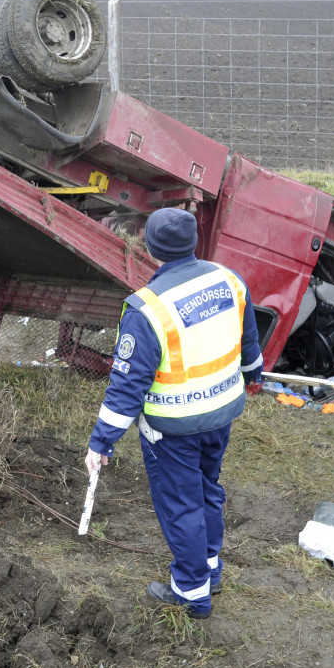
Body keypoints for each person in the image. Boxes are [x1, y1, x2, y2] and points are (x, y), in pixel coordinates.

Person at [84, 207, 263, 619]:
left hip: (172, 430)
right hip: (222, 413)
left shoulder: (146, 310)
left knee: (181, 505)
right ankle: (211, 569)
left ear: (148, 247)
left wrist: (101, 442)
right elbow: (249, 344)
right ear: (193, 241)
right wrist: (254, 377)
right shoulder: (228, 279)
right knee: (207, 489)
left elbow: (127, 389)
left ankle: (191, 592)